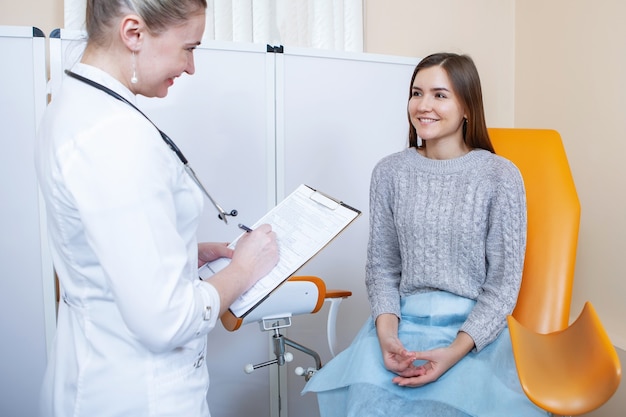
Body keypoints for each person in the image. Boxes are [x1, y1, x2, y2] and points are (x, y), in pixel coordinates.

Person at [35, 1, 278, 416]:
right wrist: (245, 269)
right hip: (139, 393)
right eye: (189, 47)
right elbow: (167, 320)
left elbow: (98, 248)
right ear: (133, 34)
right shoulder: (114, 136)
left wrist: (182, 254)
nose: (190, 66)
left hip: (95, 369)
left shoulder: (76, 106)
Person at [302, 52, 548, 416]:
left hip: (472, 334)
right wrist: (387, 338)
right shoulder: (389, 173)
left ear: (468, 106)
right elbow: (383, 270)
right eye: (416, 93)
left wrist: (454, 352)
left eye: (439, 95)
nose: (423, 105)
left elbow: (503, 286)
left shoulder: (500, 176)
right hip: (401, 326)